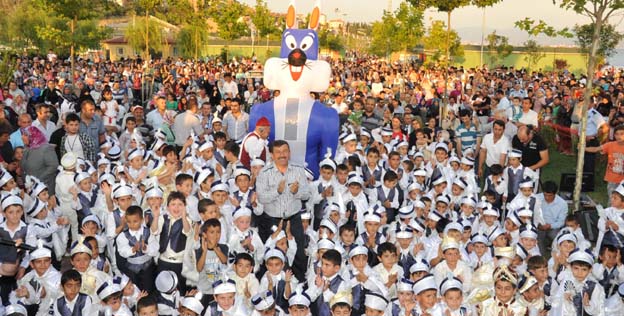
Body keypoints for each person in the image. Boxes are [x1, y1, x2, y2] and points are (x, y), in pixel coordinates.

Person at [256, 140, 310, 281]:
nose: (282, 155)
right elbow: (261, 198)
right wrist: (277, 191)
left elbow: (306, 194)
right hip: (272, 220)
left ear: (289, 153)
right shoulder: (264, 173)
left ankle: (298, 287)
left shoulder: (298, 170)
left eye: (285, 151)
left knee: (298, 254)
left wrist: (297, 191)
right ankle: (269, 287)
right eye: (278, 152)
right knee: (271, 254)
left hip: (294, 219)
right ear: (272, 155)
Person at [586, 123, 624, 198]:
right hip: (612, 178)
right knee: (612, 199)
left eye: (622, 134)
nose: (619, 136)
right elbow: (596, 149)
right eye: (616, 134)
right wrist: (584, 148)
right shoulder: (610, 145)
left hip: (623, 180)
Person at [536, 181, 568, 255]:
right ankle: (541, 253)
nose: (547, 198)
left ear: (555, 193)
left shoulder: (562, 204)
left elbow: (561, 222)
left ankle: (558, 252)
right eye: (545, 195)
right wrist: (538, 225)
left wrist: (550, 226)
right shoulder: (536, 198)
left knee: (558, 237)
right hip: (539, 226)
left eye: (550, 195)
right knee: (538, 237)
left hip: (553, 227)